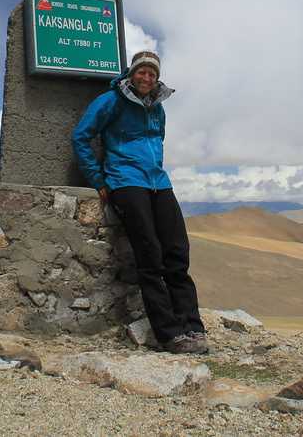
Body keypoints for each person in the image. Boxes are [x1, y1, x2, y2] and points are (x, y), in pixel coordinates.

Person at [72, 50, 207, 354]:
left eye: (152, 74)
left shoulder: (158, 107)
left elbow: (157, 142)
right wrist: (98, 179)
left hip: (158, 182)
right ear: (132, 74)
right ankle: (170, 334)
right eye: (142, 72)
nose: (147, 78)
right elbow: (81, 136)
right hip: (125, 181)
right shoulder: (111, 101)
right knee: (150, 254)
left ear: (157, 78)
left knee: (177, 252)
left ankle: (192, 326)